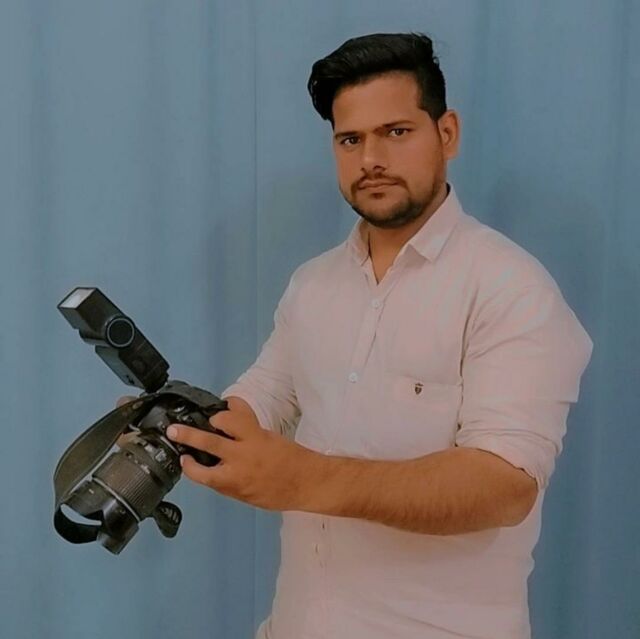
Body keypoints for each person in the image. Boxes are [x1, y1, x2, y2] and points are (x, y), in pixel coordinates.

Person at [162, 32, 593, 639]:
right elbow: (267, 395)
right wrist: (179, 425)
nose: (371, 159)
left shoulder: (512, 287)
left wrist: (306, 478)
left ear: (447, 134)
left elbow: (505, 484)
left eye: (396, 131)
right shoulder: (312, 283)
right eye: (351, 139)